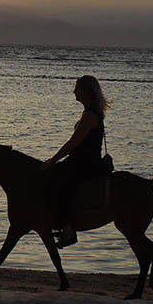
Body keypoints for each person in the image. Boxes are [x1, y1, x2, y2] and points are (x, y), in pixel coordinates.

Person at [40, 75, 110, 248]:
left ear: (86, 92)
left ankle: (68, 229)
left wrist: (53, 160)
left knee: (59, 185)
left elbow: (73, 143)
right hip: (81, 160)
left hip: (84, 163)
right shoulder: (91, 112)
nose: (74, 92)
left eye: (77, 88)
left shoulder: (89, 116)